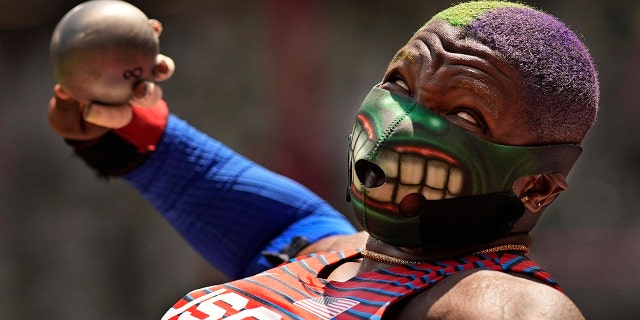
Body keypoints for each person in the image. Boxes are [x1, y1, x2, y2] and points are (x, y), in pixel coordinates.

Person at [48, 1, 598, 319]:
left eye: (466, 116)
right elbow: (217, 187)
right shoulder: (322, 253)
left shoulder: (502, 306)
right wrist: (118, 114)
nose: (402, 121)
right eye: (400, 83)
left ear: (538, 188)